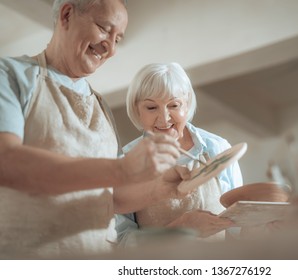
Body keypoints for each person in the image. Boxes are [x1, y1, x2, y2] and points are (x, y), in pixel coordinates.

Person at [0, 0, 186, 258]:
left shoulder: (100, 107)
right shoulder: (9, 75)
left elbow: (113, 198)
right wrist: (122, 169)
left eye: (118, 39)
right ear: (66, 14)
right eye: (103, 28)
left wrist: (166, 188)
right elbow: (7, 162)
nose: (110, 47)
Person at [115, 62, 243, 246]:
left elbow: (238, 229)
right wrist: (179, 230)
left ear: (187, 103)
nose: (164, 118)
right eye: (151, 108)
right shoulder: (125, 164)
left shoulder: (218, 149)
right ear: (137, 110)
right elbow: (122, 243)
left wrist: (264, 226)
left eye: (173, 105)